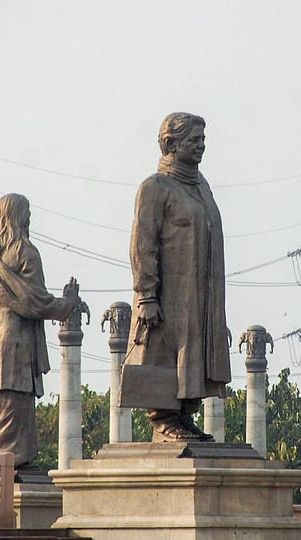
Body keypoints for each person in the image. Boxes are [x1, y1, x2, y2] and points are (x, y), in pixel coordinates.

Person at [120, 112, 231, 442]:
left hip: (202, 294)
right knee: (164, 354)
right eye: (194, 140)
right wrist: (147, 296)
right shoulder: (156, 187)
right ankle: (164, 417)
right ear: (170, 144)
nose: (202, 146)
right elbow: (142, 243)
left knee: (195, 353)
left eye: (203, 140)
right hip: (170, 295)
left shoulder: (201, 186)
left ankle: (183, 415)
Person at [0, 193, 79, 468]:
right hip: (15, 344)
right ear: (18, 215)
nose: (30, 217)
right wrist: (67, 302)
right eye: (27, 212)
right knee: (15, 408)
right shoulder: (24, 251)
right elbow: (36, 302)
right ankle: (14, 464)